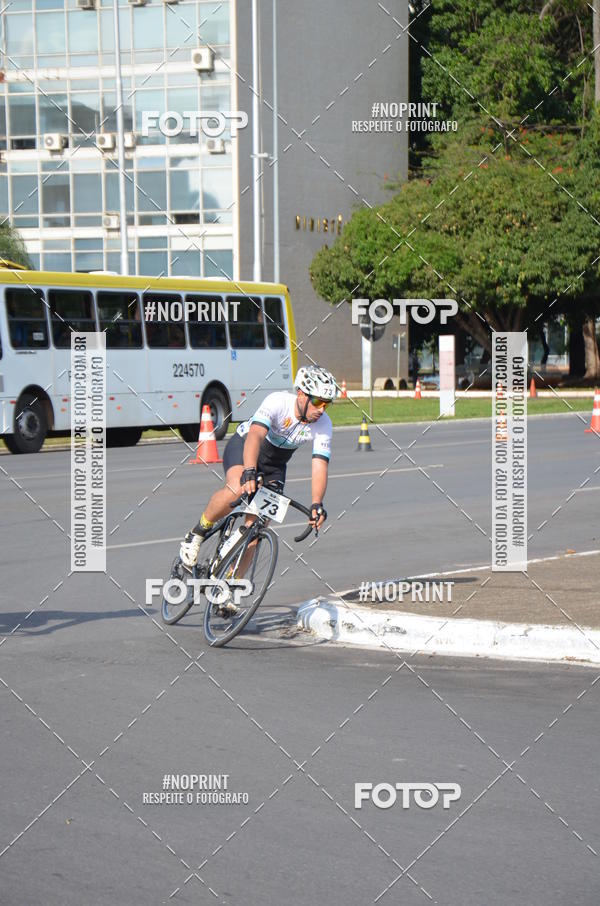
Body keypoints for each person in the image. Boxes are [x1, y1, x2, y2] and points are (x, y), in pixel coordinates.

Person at [179, 364, 338, 569]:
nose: (321, 409)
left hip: (275, 465)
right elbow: (255, 436)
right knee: (236, 488)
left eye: (327, 404)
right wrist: (249, 471)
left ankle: (232, 586)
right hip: (246, 446)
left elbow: (319, 464)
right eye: (317, 402)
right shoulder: (277, 402)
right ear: (301, 394)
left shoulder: (324, 423)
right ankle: (197, 534)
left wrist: (317, 503)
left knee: (256, 527)